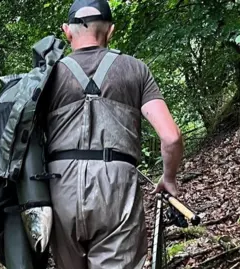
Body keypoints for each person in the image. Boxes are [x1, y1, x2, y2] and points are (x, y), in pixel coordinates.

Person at [42, 0, 184, 268]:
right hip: (116, 187)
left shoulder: (48, 76)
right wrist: (169, 178)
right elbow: (171, 137)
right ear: (111, 31)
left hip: (58, 187)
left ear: (67, 31)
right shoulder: (134, 69)